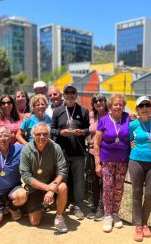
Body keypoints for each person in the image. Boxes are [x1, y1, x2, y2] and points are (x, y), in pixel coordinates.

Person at [20, 122, 68, 233]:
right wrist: (48, 188)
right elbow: (26, 176)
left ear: (48, 135)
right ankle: (43, 205)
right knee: (35, 222)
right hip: (35, 188)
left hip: (53, 184)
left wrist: (52, 189)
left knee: (63, 187)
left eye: (45, 134)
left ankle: (59, 216)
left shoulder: (56, 148)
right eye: (38, 134)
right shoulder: (26, 150)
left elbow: (62, 170)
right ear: (33, 135)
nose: (42, 137)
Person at [51, 84, 90, 220]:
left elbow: (88, 129)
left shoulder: (83, 111)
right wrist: (61, 132)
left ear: (76, 94)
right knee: (63, 180)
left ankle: (78, 206)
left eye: (73, 92)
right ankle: (63, 204)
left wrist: (82, 132)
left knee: (79, 181)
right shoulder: (57, 111)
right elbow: (52, 129)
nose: (70, 95)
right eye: (67, 93)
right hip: (62, 152)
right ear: (64, 95)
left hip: (78, 152)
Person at [94, 93, 130, 232]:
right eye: (116, 104)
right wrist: (97, 163)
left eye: (121, 104)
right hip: (107, 161)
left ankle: (116, 213)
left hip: (122, 161)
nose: (118, 107)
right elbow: (96, 144)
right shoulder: (103, 120)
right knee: (108, 188)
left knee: (119, 188)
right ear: (110, 106)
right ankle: (107, 215)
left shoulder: (128, 118)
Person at [129, 96, 151, 242]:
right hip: (136, 161)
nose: (144, 108)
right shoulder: (133, 125)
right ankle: (138, 225)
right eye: (141, 106)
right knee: (136, 193)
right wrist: (131, 144)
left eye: (147, 105)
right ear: (137, 109)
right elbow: (130, 139)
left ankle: (145, 221)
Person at [86, 93, 108, 221]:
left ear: (105, 102)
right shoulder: (91, 115)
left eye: (101, 100)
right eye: (96, 101)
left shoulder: (110, 115)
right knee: (94, 181)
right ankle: (94, 206)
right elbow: (86, 129)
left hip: (105, 153)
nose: (99, 103)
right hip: (91, 152)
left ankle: (102, 207)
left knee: (102, 182)